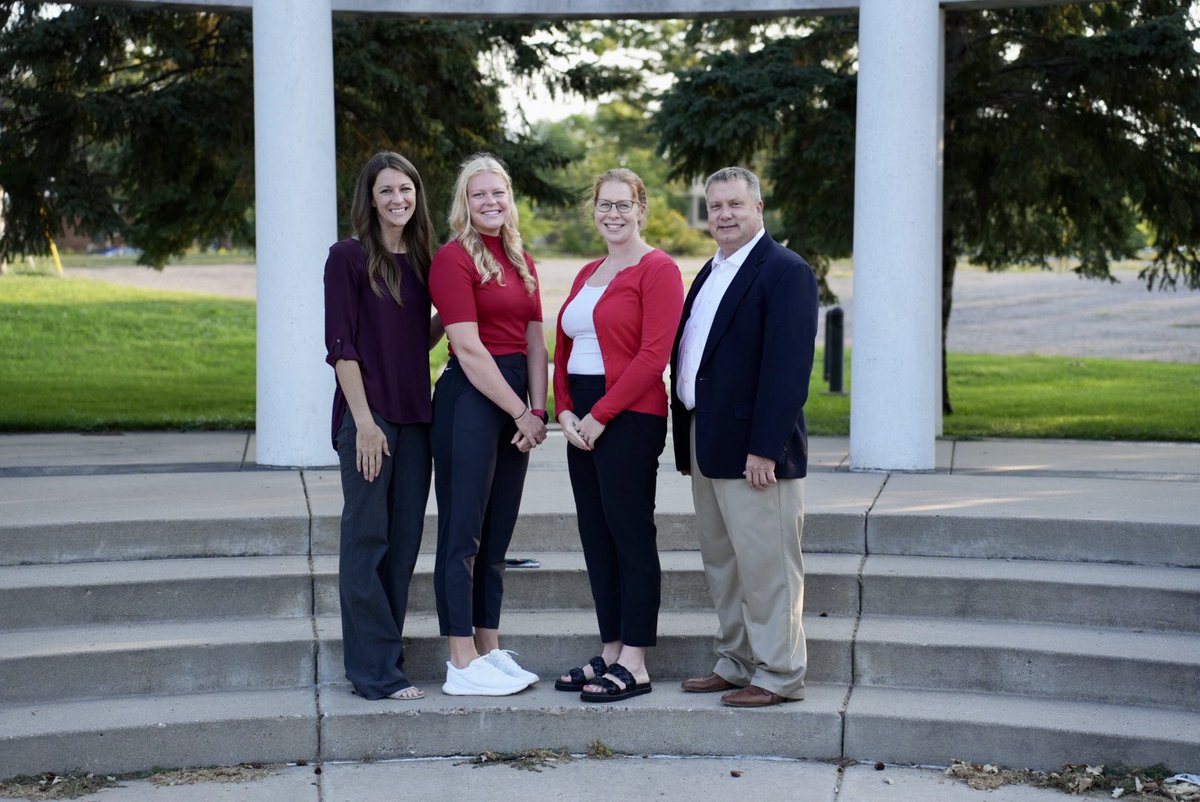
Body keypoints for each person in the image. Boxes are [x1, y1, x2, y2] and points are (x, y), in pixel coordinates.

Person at [670, 166, 819, 708]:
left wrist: (766, 447)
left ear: (759, 208)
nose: (724, 215)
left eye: (735, 204)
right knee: (724, 564)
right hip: (706, 441)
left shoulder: (785, 271)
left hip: (756, 451)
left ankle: (779, 674)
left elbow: (787, 370)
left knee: (767, 566)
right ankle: (735, 662)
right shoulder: (710, 272)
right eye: (715, 207)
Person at [552, 168, 684, 703]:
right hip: (580, 419)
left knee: (629, 533)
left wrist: (601, 415)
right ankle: (609, 651)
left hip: (628, 415)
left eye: (623, 205)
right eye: (604, 205)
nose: (613, 214)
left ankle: (636, 660)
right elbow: (561, 345)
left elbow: (655, 356)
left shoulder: (658, 270)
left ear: (641, 208)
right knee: (595, 534)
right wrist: (563, 410)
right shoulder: (589, 270)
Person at [429, 152, 549, 696]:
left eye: (498, 192)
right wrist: (519, 410)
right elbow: (470, 349)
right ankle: (460, 662)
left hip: (515, 401)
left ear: (509, 198)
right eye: (479, 194)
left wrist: (538, 411)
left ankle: (489, 649)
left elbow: (533, 342)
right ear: (464, 202)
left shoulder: (522, 258)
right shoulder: (453, 259)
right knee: (463, 534)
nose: (490, 202)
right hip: (471, 400)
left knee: (497, 535)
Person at [324, 151, 442, 701]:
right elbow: (342, 348)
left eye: (407, 190)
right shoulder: (347, 258)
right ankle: (373, 672)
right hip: (369, 421)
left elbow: (417, 336)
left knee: (403, 545)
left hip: (418, 417)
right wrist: (366, 424)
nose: (399, 199)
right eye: (388, 191)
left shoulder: (422, 260)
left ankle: (387, 659)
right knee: (366, 541)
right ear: (369, 199)